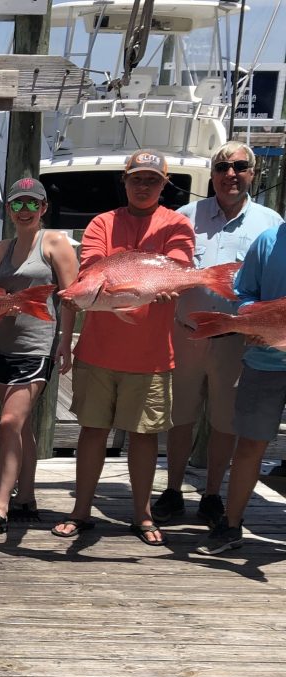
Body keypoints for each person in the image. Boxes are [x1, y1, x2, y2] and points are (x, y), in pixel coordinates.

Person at [52, 150, 194, 546]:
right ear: (125, 181)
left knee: (144, 435)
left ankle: (142, 514)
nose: (143, 185)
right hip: (97, 353)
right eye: (136, 179)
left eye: (152, 179)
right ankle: (81, 510)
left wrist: (170, 282)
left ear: (164, 184)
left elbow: (179, 264)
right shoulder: (102, 222)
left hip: (151, 357)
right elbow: (93, 268)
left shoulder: (177, 223)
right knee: (91, 431)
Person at [155, 142, 282, 527]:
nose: (231, 174)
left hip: (237, 342)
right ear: (211, 174)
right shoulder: (184, 216)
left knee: (226, 423)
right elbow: (163, 268)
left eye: (240, 167)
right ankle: (173, 489)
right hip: (186, 334)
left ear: (252, 174)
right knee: (180, 416)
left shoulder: (270, 223)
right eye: (223, 167)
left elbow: (267, 289)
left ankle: (212, 494)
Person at [0, 178, 78, 539]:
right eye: (18, 204)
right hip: (3, 348)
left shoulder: (56, 243)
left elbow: (71, 297)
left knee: (8, 423)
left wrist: (64, 342)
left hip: (35, 348)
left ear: (43, 208)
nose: (25, 210)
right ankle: (27, 496)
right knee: (21, 428)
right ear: (9, 210)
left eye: (32, 204)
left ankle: (0, 508)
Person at [196, 222, 286, 554]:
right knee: (249, 446)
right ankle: (231, 525)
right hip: (264, 362)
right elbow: (243, 293)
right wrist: (252, 318)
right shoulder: (268, 240)